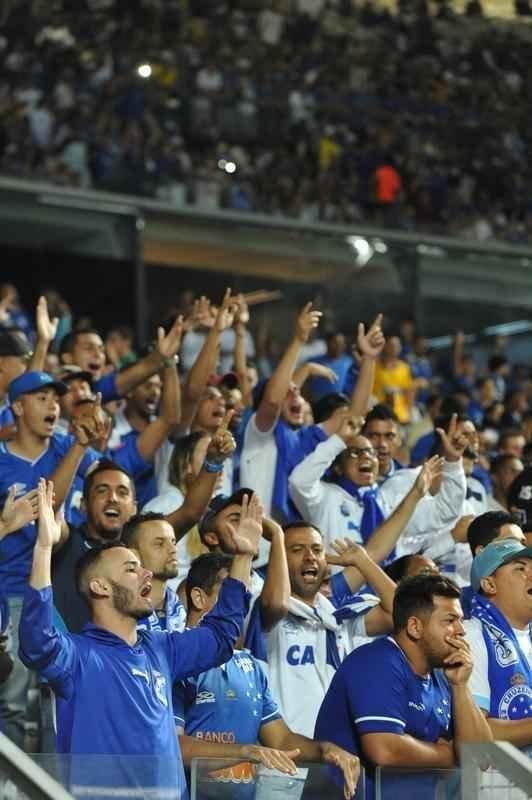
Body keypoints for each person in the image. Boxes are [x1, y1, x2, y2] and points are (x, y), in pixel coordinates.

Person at [19, 482, 262, 799]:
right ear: (100, 587)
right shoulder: (79, 658)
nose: (147, 574)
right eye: (132, 569)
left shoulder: (162, 649)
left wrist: (242, 557)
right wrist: (43, 550)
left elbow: (219, 637)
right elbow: (37, 642)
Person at [174, 552, 360, 800]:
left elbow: (281, 739)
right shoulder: (178, 659)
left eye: (246, 593)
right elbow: (172, 746)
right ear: (198, 597)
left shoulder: (249, 666)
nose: (242, 602)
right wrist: (244, 751)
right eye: (231, 590)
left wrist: (323, 749)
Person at [315, 573, 492, 800]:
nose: (461, 630)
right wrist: (450, 754)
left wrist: (460, 685)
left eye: (460, 619)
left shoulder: (443, 676)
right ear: (415, 627)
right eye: (450, 620)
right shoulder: (376, 662)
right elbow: (385, 750)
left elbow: (481, 759)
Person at [52, 415, 235, 633]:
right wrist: (81, 445)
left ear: (135, 506)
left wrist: (213, 463)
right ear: (83, 504)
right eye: (102, 491)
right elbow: (50, 507)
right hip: (75, 657)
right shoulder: (67, 541)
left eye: (122, 492)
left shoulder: (144, 540)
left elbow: (191, 512)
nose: (113, 498)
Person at [288, 412, 466, 558]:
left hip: (378, 591)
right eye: (355, 453)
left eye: (370, 453)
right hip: (334, 592)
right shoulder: (323, 496)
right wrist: (338, 441)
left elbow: (445, 511)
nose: (366, 457)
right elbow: (299, 482)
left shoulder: (385, 501)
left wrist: (452, 461)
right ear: (338, 467)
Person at [464, 539, 532, 755]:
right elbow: (476, 733)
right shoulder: (472, 634)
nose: (531, 574)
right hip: (498, 783)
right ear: (489, 585)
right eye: (520, 568)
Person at [121, 512, 186, 634]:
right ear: (132, 554)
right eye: (159, 544)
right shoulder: (120, 614)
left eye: (173, 542)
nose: (173, 550)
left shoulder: (180, 610)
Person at [461, 511, 527, 617]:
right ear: (482, 552)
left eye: (523, 543)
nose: (520, 549)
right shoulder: (459, 609)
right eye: (511, 542)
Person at [372, 335, 414, 424]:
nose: (395, 348)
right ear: (385, 346)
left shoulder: (405, 368)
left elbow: (408, 392)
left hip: (400, 415)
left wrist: (409, 413)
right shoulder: (374, 367)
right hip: (379, 414)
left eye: (398, 345)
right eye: (391, 345)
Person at [362, 404, 403, 482]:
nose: (382, 444)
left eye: (389, 436)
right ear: (361, 438)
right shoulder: (346, 480)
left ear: (399, 440)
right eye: (374, 436)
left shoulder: (409, 481)